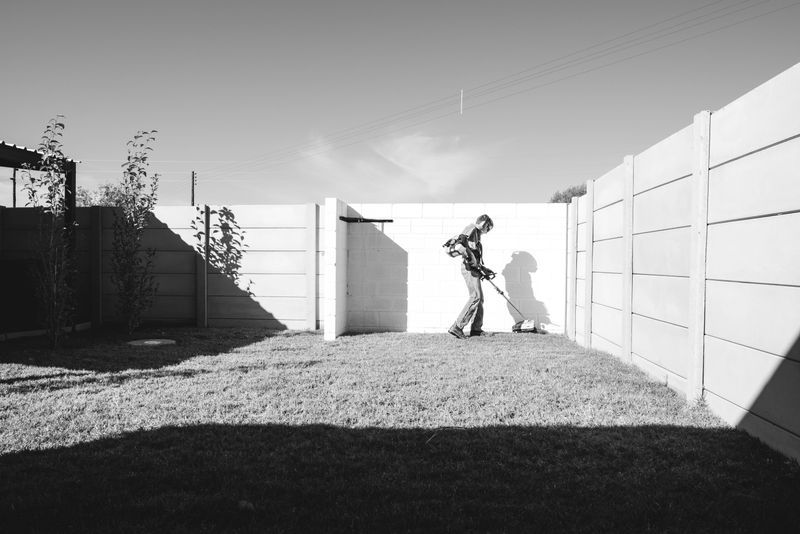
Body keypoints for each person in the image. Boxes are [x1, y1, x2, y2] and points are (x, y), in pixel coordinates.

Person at [448, 214, 494, 339]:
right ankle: (457, 327)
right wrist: (473, 262)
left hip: (473, 269)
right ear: (484, 223)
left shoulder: (477, 236)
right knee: (475, 297)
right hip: (469, 269)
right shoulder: (472, 228)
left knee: (480, 298)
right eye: (489, 227)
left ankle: (476, 329)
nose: (488, 230)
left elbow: (473, 254)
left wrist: (484, 269)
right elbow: (462, 242)